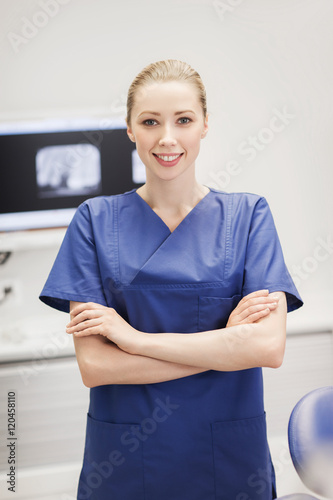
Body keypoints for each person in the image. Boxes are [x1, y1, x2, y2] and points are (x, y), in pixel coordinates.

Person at [40, 59, 303, 500]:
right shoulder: (93, 222)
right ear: (129, 129)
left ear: (204, 125)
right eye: (150, 122)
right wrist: (225, 345)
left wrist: (133, 339)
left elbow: (267, 348)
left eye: (183, 120)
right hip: (126, 463)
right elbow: (96, 367)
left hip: (228, 459)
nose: (167, 138)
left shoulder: (249, 216)